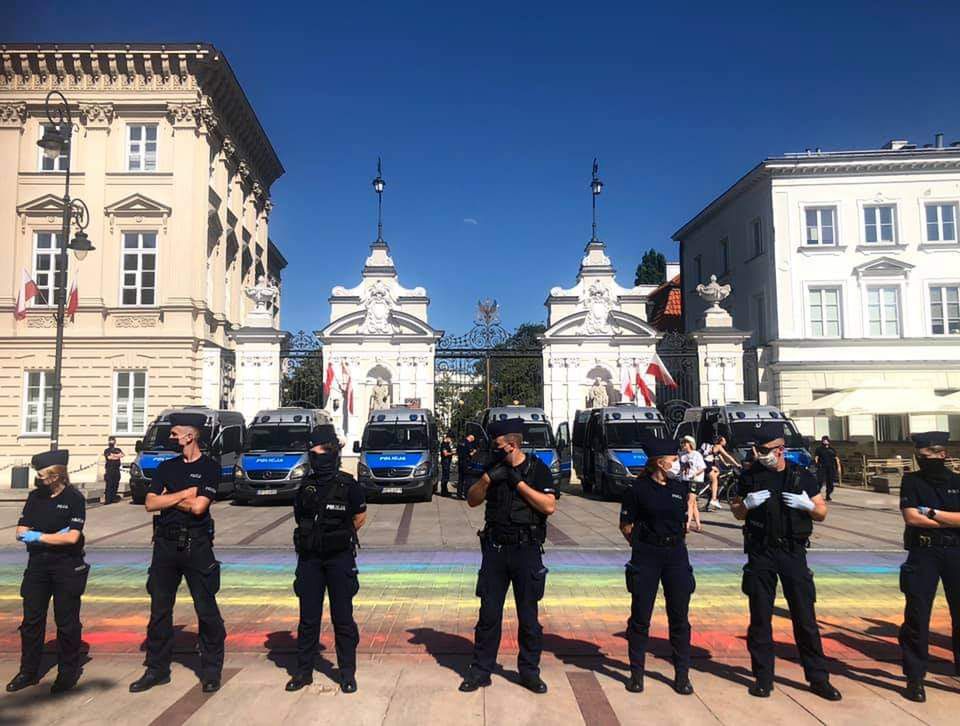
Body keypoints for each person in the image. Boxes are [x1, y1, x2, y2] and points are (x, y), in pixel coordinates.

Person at [730, 423, 842, 701]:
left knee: (805, 618)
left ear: (780, 450)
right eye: (757, 450)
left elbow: (822, 512)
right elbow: (737, 512)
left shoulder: (801, 476)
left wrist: (808, 506)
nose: (760, 455)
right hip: (761, 552)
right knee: (760, 618)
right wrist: (747, 505)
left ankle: (818, 678)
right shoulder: (750, 476)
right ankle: (763, 677)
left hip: (793, 553)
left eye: (765, 450)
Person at [460, 418, 559, 694]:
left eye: (499, 446)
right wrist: (488, 478)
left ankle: (529, 672)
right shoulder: (493, 468)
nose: (495, 450)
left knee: (528, 616)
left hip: (526, 550)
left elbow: (549, 506)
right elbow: (472, 499)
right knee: (488, 615)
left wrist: (520, 485)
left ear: (512, 445)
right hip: (495, 550)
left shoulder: (538, 470)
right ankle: (481, 670)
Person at [129, 412, 225, 694]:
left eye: (174, 433)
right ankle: (157, 670)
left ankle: (210, 670)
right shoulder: (165, 467)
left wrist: (169, 498)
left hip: (196, 546)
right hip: (165, 547)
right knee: (159, 611)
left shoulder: (210, 467)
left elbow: (199, 508)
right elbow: (149, 503)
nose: (170, 437)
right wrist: (185, 493)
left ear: (189, 436)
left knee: (206, 610)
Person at [285, 426, 367, 694]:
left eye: (318, 450)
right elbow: (301, 517)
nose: (313, 454)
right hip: (310, 559)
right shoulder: (305, 486)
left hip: (339, 558)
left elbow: (359, 517)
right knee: (308, 618)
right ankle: (303, 671)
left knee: (342, 618)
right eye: (312, 450)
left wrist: (338, 535)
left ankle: (346, 673)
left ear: (330, 452)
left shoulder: (348, 485)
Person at [619, 437, 701, 694]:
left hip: (676, 554)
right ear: (659, 462)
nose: (677, 463)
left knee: (679, 616)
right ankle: (636, 673)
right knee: (641, 616)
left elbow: (683, 524)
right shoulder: (638, 489)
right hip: (647, 555)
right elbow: (626, 525)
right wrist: (644, 545)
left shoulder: (679, 488)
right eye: (673, 459)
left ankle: (682, 674)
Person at [7, 450, 89, 694]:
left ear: (56, 475)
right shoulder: (35, 497)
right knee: (32, 621)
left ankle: (68, 671)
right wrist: (53, 537)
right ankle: (28, 671)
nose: (38, 480)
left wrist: (39, 536)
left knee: (67, 622)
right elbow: (21, 531)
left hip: (66, 566)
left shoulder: (74, 498)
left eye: (42, 476)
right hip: (38, 566)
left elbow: (73, 538)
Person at [897, 431, 960, 703]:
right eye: (920, 456)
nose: (923, 460)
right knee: (917, 616)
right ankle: (915, 677)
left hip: (955, 552)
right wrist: (949, 519)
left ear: (942, 454)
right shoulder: (911, 481)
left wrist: (933, 513)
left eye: (928, 456)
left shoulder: (957, 481)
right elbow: (912, 518)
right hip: (923, 552)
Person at [700, 435, 741, 511]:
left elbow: (721, 458)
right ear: (721, 441)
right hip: (707, 464)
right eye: (724, 440)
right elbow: (727, 456)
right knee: (715, 480)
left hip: (708, 464)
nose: (725, 442)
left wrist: (726, 464)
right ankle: (714, 499)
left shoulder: (716, 447)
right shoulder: (719, 446)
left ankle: (710, 499)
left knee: (717, 473)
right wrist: (737, 464)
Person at [813, 436, 841, 501]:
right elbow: (816, 457)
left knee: (830, 482)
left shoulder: (832, 449)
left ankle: (828, 495)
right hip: (822, 467)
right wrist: (816, 464)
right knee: (820, 481)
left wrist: (839, 467)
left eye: (826, 440)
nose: (825, 441)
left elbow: (836, 458)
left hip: (831, 467)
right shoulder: (819, 449)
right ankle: (816, 494)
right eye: (824, 440)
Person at [103, 436, 124, 504]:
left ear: (115, 441)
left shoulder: (118, 449)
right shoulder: (107, 450)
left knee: (115, 484)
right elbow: (109, 457)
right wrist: (116, 456)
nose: (111, 441)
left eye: (113, 440)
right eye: (110, 440)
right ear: (108, 441)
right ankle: (108, 500)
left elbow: (122, 455)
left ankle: (113, 498)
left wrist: (114, 455)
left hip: (116, 469)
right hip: (109, 470)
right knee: (109, 485)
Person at [456, 433, 478, 500]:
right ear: (471, 438)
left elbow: (457, 451)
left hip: (460, 462)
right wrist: (474, 451)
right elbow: (470, 454)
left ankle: (459, 494)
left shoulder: (460, 442)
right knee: (467, 479)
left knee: (460, 479)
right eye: (472, 440)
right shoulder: (468, 444)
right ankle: (465, 495)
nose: (472, 441)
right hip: (466, 463)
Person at [439, 432, 454, 497]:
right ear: (448, 438)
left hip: (447, 462)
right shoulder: (444, 444)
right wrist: (452, 453)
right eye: (451, 439)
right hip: (445, 461)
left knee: (447, 476)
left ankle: (445, 490)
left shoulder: (447, 444)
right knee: (445, 477)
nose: (451, 440)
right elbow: (445, 454)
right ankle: (443, 491)